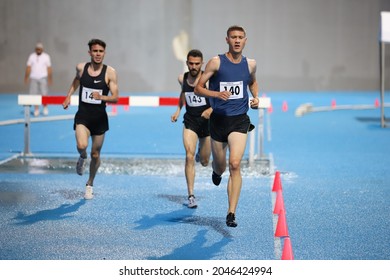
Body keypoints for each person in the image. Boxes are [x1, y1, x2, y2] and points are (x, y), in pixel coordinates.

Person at [195, 25, 259, 227]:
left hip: (239, 120)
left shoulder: (250, 64)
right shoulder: (216, 62)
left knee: (235, 164)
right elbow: (198, 88)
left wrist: (256, 98)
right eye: (233, 37)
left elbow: (252, 82)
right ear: (227, 40)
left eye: (240, 37)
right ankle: (216, 171)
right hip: (219, 121)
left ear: (245, 40)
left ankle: (231, 212)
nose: (237, 40)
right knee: (221, 165)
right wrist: (215, 95)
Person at [62, 39, 119, 200]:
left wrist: (101, 96)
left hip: (100, 119)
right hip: (83, 117)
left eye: (101, 51)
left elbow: (116, 97)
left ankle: (90, 183)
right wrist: (68, 96)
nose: (98, 54)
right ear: (90, 53)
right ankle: (82, 157)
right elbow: (76, 81)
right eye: (95, 51)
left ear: (104, 53)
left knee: (96, 154)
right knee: (82, 145)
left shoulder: (110, 73)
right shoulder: (81, 68)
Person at [171, 49, 212, 208]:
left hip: (207, 123)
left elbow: (219, 99)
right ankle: (191, 195)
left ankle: (199, 154)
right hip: (190, 121)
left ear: (202, 63)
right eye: (191, 63)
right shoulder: (182, 78)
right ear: (187, 63)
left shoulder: (208, 80)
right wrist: (178, 110)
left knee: (204, 161)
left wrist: (210, 110)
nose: (194, 66)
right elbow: (183, 94)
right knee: (188, 155)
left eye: (197, 64)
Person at [24, 42, 53, 116]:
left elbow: (49, 68)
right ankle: (36, 109)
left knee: (44, 93)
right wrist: (26, 77)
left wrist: (50, 78)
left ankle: (45, 108)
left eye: (40, 49)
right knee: (33, 94)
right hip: (33, 78)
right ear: (35, 49)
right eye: (37, 49)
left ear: (42, 49)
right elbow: (28, 67)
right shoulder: (32, 56)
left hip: (43, 77)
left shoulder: (46, 56)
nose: (38, 50)